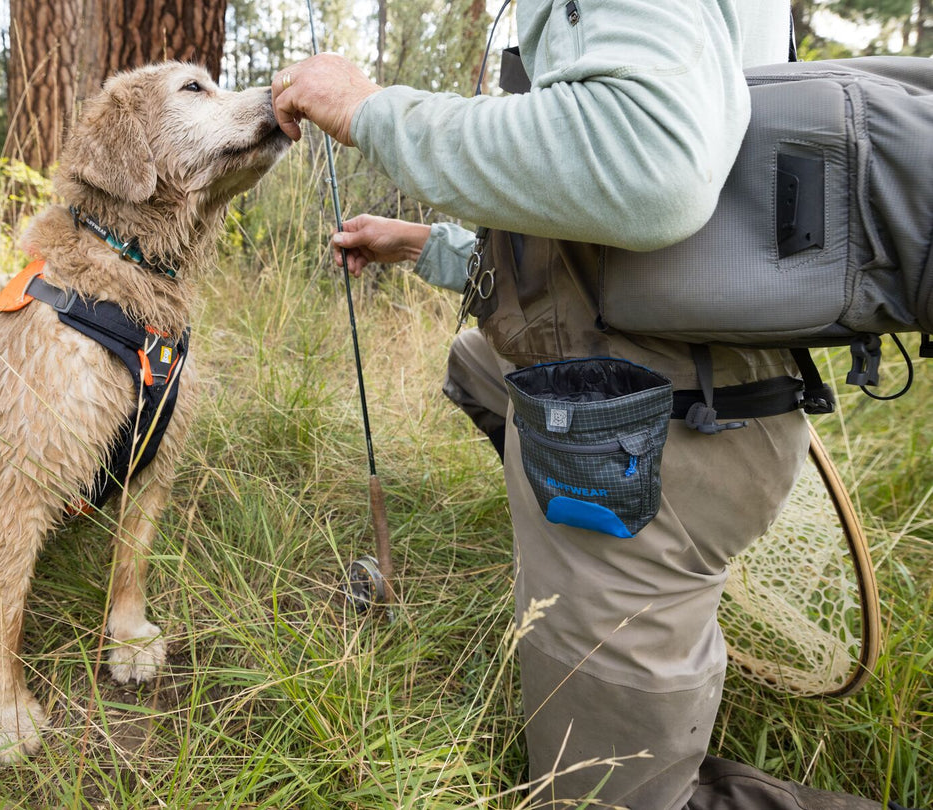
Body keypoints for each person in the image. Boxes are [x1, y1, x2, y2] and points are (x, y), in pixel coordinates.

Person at [271, 2, 909, 808]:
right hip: (694, 392)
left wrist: (371, 111)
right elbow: (628, 254)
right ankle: (577, 568)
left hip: (653, 431)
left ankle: (611, 582)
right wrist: (427, 246)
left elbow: (649, 166)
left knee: (593, 798)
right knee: (479, 362)